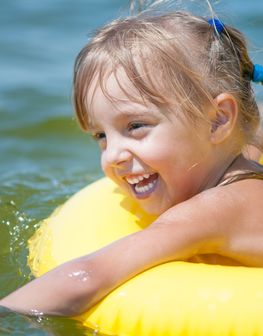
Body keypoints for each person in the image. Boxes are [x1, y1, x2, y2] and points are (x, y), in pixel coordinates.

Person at [1, 6, 263, 316]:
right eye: (101, 136)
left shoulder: (216, 210)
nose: (112, 155)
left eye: (136, 126)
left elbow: (88, 276)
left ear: (218, 120)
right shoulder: (243, 159)